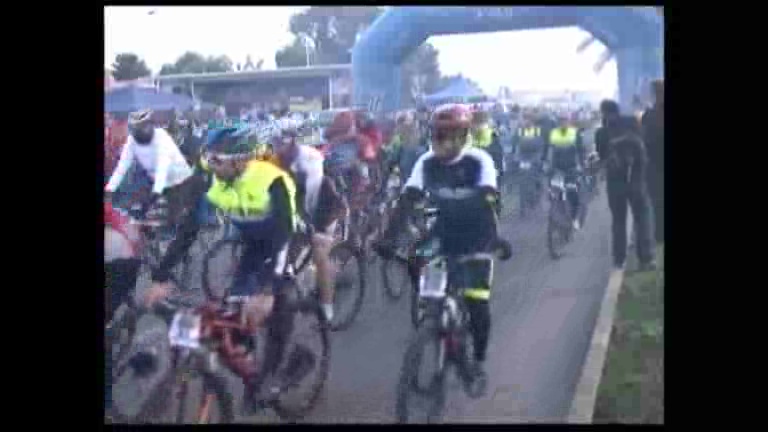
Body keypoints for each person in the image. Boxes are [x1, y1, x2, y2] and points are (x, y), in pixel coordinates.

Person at [373, 104, 510, 388]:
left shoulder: (479, 161)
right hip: (443, 233)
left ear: (463, 136)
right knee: (414, 259)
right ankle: (432, 321)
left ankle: (477, 363)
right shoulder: (427, 162)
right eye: (436, 135)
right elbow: (407, 201)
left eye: (448, 135)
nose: (440, 142)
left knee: (477, 303)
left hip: (477, 236)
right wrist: (388, 238)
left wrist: (495, 240)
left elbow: (489, 202)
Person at [106, 109, 209, 304]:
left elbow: (162, 168)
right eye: (135, 130)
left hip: (181, 183)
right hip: (157, 185)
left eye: (142, 128)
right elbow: (122, 166)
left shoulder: (161, 138)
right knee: (136, 216)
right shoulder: (132, 141)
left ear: (150, 126)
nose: (139, 133)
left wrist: (155, 195)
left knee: (169, 223)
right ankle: (151, 246)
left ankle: (179, 257)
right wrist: (109, 190)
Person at [268, 118, 346, 322]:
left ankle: (327, 306)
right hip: (299, 204)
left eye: (280, 143)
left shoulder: (308, 159)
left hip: (325, 206)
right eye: (274, 143)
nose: (276, 148)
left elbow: (311, 202)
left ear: (292, 140)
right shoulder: (273, 159)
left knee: (320, 255)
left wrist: (310, 229)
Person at [596, 100, 656, 270]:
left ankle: (619, 258)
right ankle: (646, 259)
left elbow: (602, 157)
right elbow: (643, 147)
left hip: (615, 182)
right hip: (636, 178)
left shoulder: (602, 133)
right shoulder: (632, 124)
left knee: (618, 220)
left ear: (604, 113)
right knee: (643, 217)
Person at [544, 115, 587, 230]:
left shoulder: (575, 133)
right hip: (557, 170)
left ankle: (575, 219)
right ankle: (556, 213)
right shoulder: (553, 133)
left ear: (569, 122)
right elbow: (549, 150)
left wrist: (581, 166)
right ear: (558, 122)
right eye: (561, 121)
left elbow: (581, 151)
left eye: (565, 121)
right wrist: (547, 165)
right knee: (553, 192)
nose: (563, 123)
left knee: (573, 194)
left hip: (571, 169)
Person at [641, 79, 664, 243]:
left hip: (654, 166)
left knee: (657, 203)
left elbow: (644, 141)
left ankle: (659, 236)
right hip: (655, 165)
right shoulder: (649, 115)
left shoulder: (649, 115)